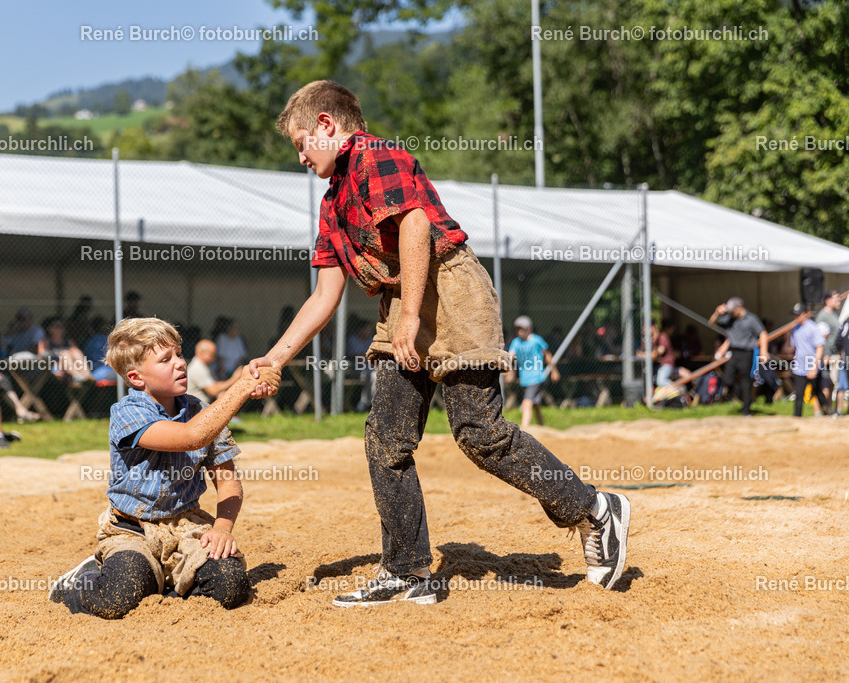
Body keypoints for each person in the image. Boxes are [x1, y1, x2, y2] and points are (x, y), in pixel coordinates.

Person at [247, 80, 630, 607]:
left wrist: (409, 320)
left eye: (300, 143)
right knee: (386, 438)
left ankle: (594, 508)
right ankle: (407, 571)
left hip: (449, 289)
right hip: (402, 299)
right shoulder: (332, 200)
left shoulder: (375, 155)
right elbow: (325, 293)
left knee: (479, 433)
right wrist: (275, 357)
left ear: (327, 127)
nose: (300, 158)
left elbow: (416, 225)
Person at [48, 318, 281, 618]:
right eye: (165, 359)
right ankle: (81, 582)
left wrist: (222, 529)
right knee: (120, 595)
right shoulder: (127, 412)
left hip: (186, 527)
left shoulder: (202, 412)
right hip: (131, 530)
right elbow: (190, 436)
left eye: (179, 354)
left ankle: (163, 578)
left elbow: (228, 483)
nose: (180, 364)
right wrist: (242, 388)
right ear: (136, 378)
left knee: (231, 584)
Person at [709, 297, 769, 416]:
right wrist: (717, 313)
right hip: (733, 352)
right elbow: (712, 323)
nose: (731, 313)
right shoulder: (730, 318)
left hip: (746, 352)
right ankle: (741, 396)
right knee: (727, 379)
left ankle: (746, 410)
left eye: (732, 311)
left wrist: (764, 351)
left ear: (739, 308)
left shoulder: (751, 319)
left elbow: (763, 333)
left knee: (745, 380)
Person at [503, 316, 559, 429]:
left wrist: (554, 370)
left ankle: (523, 431)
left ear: (530, 329)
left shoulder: (536, 340)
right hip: (525, 379)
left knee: (526, 404)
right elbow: (510, 356)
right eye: (517, 329)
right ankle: (542, 428)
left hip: (536, 377)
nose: (519, 331)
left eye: (522, 329)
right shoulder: (516, 342)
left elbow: (547, 355)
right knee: (536, 405)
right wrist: (506, 368)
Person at [786, 303, 830, 418]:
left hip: (812, 366)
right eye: (795, 315)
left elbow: (819, 348)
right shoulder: (794, 329)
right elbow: (794, 347)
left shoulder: (813, 328)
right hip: (799, 367)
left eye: (798, 314)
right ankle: (797, 417)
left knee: (817, 392)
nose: (796, 317)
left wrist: (814, 367)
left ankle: (828, 413)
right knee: (799, 395)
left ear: (806, 314)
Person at [187, 339, 243, 405]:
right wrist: (233, 379)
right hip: (197, 410)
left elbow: (215, 384)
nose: (214, 358)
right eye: (212, 355)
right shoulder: (197, 368)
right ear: (203, 353)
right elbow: (213, 390)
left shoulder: (204, 366)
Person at [815, 290, 843, 412]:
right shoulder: (823, 316)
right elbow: (820, 337)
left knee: (833, 383)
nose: (839, 301)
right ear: (828, 300)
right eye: (836, 298)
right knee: (826, 383)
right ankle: (825, 411)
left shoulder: (833, 314)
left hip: (835, 353)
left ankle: (830, 410)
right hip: (828, 354)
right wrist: (825, 354)